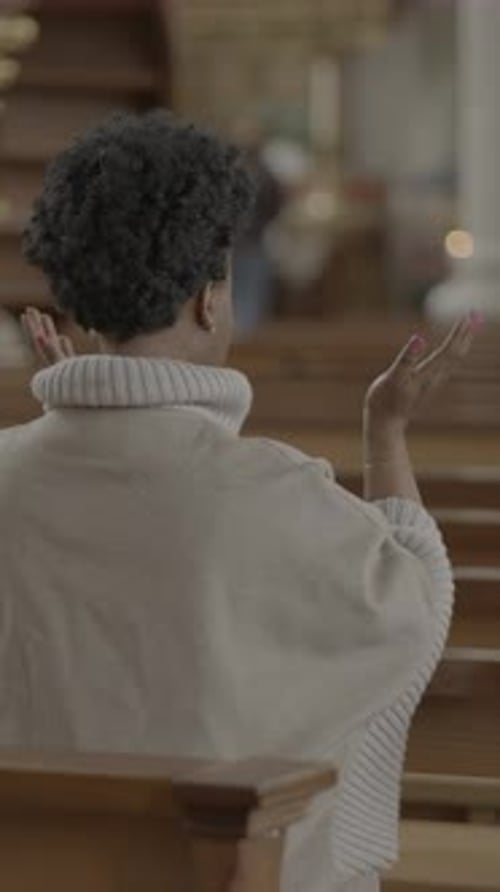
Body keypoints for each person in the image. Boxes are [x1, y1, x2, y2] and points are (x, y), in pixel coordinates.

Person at [0, 110, 479, 892]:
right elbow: (416, 604)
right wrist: (385, 432)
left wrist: (63, 416)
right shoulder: (276, 493)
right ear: (210, 298)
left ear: (79, 303)